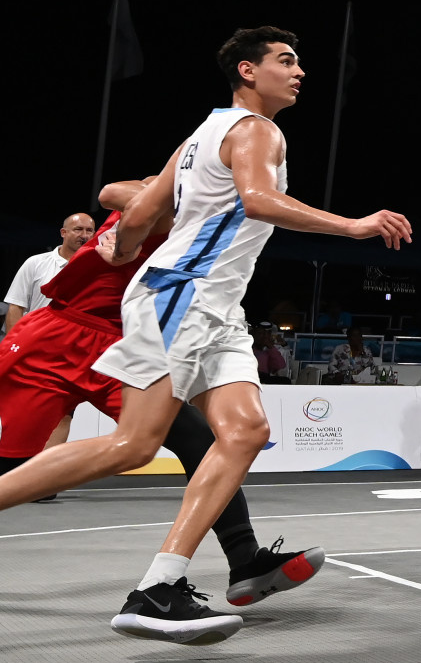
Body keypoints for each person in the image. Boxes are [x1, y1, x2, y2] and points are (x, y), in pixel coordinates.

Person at [0, 27, 410, 645]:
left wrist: (127, 244)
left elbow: (137, 211)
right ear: (248, 71)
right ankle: (160, 590)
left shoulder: (202, 135)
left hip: (213, 305)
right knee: (133, 446)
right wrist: (353, 226)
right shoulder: (256, 130)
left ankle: (163, 585)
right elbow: (257, 201)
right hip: (182, 296)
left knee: (246, 430)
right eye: (286, 61)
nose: (299, 72)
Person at [0, 186, 323, 604]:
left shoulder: (222, 222)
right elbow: (114, 191)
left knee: (196, 439)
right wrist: (139, 215)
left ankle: (245, 559)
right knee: (16, 464)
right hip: (57, 337)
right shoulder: (193, 183)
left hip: (119, 342)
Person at [3, 212, 97, 338]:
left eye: (89, 230)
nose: (84, 235)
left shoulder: (97, 268)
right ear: (63, 233)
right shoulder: (35, 263)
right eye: (78, 229)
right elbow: (16, 306)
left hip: (74, 344)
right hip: (34, 339)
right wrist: (12, 345)